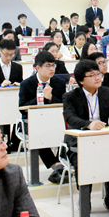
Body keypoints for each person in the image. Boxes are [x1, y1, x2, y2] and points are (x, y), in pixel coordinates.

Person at [63, 60, 109, 209]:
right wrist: (88, 125)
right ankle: (85, 197)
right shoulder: (70, 96)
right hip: (79, 140)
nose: (97, 78)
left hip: (103, 138)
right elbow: (70, 118)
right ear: (81, 80)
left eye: (98, 74)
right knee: (83, 162)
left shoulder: (106, 92)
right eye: (92, 75)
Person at [18, 51, 66, 179]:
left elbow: (64, 105)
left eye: (53, 65)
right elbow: (22, 108)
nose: (51, 69)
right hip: (32, 122)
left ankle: (62, 163)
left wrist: (51, 98)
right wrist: (41, 97)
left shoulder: (59, 83)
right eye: (48, 66)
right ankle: (55, 164)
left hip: (54, 120)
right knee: (37, 133)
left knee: (68, 131)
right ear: (38, 68)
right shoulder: (26, 84)